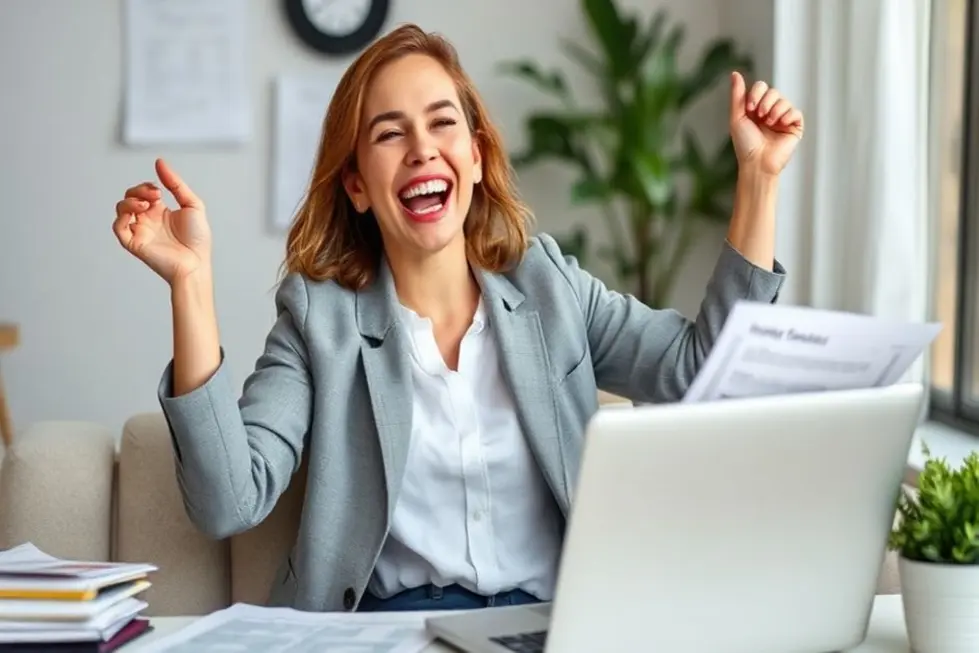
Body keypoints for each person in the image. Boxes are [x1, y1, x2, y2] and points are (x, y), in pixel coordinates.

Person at [111, 23, 802, 613]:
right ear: (355, 184)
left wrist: (759, 178)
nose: (421, 148)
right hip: (390, 629)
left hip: (547, 624)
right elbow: (229, 500)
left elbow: (700, 370)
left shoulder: (548, 283)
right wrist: (190, 284)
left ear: (474, 155)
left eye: (442, 122)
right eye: (389, 133)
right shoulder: (316, 318)